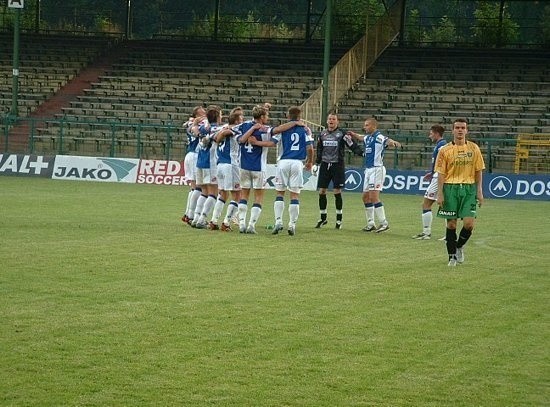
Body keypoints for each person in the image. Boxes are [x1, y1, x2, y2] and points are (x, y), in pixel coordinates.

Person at [251, 106, 314, 236]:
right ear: (300, 116)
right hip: (297, 163)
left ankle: (278, 221)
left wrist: (256, 143)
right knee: (295, 195)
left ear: (288, 116)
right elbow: (310, 148)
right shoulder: (305, 130)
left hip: (283, 162)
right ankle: (292, 224)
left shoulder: (282, 129)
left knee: (280, 193)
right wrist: (310, 161)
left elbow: (271, 143)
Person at [435, 118, 485, 266]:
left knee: (469, 224)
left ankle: (459, 247)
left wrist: (479, 191)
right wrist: (440, 193)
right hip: (450, 188)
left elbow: (478, 170)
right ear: (453, 130)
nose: (460, 130)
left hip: (468, 189)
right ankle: (451, 257)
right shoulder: (444, 150)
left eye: (463, 127)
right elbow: (441, 173)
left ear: (466, 130)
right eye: (457, 127)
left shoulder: (474, 148)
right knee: (451, 224)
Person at [347, 117, 401, 233]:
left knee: (373, 197)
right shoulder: (369, 138)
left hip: (377, 170)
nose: (364, 127)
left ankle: (384, 223)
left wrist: (393, 143)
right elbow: (361, 137)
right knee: (365, 197)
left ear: (374, 126)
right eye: (364, 125)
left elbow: (387, 140)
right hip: (369, 170)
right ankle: (371, 223)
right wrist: (353, 134)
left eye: (367, 125)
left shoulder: (378, 137)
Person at [312, 111, 363, 230]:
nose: (331, 121)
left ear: (337, 121)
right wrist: (317, 163)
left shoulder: (342, 134)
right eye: (329, 119)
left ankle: (339, 219)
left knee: (336, 191)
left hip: (337, 165)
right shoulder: (322, 134)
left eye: (333, 119)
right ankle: (323, 218)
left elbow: (352, 145)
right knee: (322, 191)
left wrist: (361, 153)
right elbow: (319, 149)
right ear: (327, 121)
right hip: (325, 165)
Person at [235, 104, 272, 234]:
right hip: (259, 167)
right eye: (266, 115)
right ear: (262, 117)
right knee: (258, 196)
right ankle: (251, 225)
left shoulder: (243, 125)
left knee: (244, 195)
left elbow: (239, 139)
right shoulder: (266, 129)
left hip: (244, 166)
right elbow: (273, 141)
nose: (267, 117)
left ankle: (241, 224)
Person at [208, 110, 244, 231]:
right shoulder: (234, 130)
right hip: (230, 164)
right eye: (241, 119)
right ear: (237, 121)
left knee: (222, 194)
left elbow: (216, 138)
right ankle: (226, 222)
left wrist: (223, 132)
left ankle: (213, 221)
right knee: (237, 195)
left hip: (220, 164)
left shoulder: (222, 129)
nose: (242, 121)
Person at [191, 105, 224, 229]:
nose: (222, 117)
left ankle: (195, 218)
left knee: (204, 192)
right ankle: (202, 219)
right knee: (213, 193)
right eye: (220, 114)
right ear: (216, 116)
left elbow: (193, 128)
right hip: (210, 164)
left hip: (200, 162)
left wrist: (194, 123)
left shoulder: (203, 128)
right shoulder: (217, 129)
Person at [412, 124, 447, 240]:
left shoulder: (442, 145)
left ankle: (427, 233)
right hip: (437, 176)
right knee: (444, 205)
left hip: (439, 178)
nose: (430, 135)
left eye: (431, 133)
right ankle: (447, 234)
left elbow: (444, 162)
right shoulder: (440, 145)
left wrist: (436, 174)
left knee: (426, 204)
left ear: (437, 133)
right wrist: (431, 172)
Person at [181, 105, 206, 225]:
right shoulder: (197, 125)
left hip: (190, 155)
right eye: (202, 114)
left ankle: (187, 214)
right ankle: (191, 215)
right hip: (194, 155)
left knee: (193, 188)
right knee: (198, 187)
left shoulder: (191, 123)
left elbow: (186, 125)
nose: (204, 115)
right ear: (196, 116)